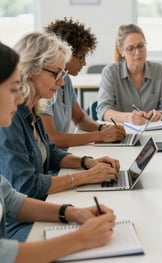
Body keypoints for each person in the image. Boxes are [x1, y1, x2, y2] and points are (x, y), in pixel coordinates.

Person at [0, 41, 116, 263]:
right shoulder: (9, 125)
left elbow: (11, 198)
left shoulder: (31, 111)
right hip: (16, 232)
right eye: (13, 88)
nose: (19, 97)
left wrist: (73, 213)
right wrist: (79, 239)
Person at [41, 17, 126, 149]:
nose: (84, 63)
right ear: (64, 54)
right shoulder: (45, 86)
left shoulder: (66, 80)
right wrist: (100, 136)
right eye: (81, 57)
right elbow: (53, 138)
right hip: (52, 163)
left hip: (60, 157)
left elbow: (80, 119)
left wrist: (103, 128)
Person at [96, 23, 162, 125]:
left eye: (141, 46)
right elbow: (103, 110)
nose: (138, 52)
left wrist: (161, 114)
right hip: (123, 132)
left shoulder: (159, 71)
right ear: (121, 51)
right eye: (131, 48)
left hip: (154, 132)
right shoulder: (110, 73)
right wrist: (129, 117)